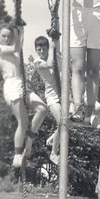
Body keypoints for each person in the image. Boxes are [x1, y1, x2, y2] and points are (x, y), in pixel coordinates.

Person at [0, 21, 47, 168]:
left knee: (42, 109)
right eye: (3, 36)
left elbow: (18, 47)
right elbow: (16, 47)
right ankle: (17, 155)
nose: (6, 38)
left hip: (22, 84)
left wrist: (20, 31)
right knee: (22, 123)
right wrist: (21, 31)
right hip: (11, 86)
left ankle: (29, 139)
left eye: (8, 36)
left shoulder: (13, 50)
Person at [31, 35, 63, 163]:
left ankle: (53, 137)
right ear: (36, 50)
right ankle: (54, 153)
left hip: (64, 95)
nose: (42, 52)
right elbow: (50, 65)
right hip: (52, 97)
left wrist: (55, 44)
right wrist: (55, 44)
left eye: (44, 49)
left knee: (69, 122)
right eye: (39, 49)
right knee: (62, 121)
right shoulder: (38, 62)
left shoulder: (53, 58)